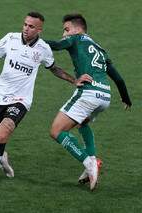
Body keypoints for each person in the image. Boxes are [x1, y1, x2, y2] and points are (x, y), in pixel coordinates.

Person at [0, 11, 91, 192]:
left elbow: (54, 69)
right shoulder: (10, 38)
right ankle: (1, 157)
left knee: (2, 134)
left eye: (31, 26)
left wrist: (74, 80)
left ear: (40, 30)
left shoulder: (43, 49)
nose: (26, 29)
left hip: (21, 99)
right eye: (25, 24)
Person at [46, 14, 132, 190]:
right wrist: (125, 98)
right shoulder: (100, 49)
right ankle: (93, 160)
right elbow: (119, 79)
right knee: (83, 123)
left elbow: (56, 45)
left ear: (78, 29)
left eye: (66, 29)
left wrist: (33, 41)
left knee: (56, 131)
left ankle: (88, 162)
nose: (64, 33)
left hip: (89, 93)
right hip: (105, 97)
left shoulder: (76, 39)